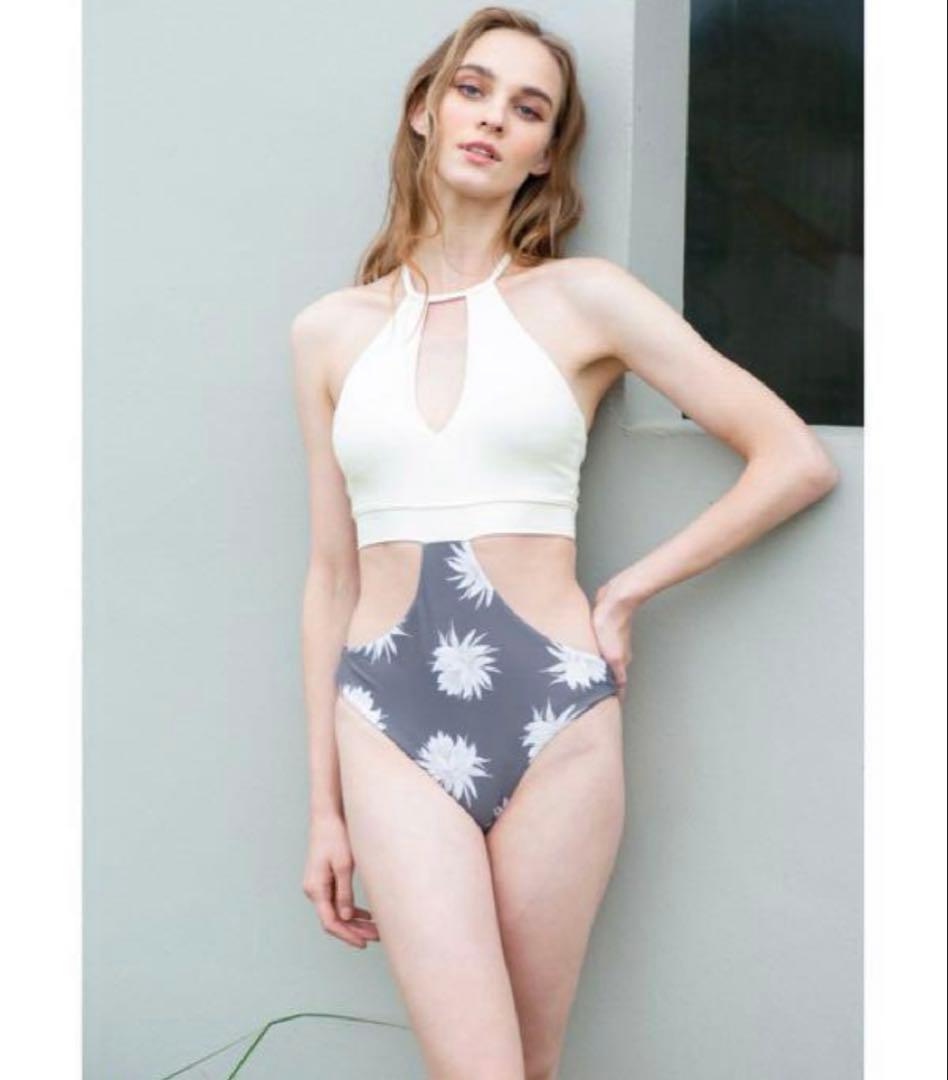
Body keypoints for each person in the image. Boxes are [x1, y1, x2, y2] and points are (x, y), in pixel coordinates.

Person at [291, 8, 839, 1078]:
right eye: (473, 89)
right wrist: (322, 809)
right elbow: (329, 576)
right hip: (387, 719)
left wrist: (626, 592)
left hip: (556, 714)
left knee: (533, 1067)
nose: (493, 118)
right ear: (424, 109)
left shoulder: (584, 300)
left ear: (546, 153)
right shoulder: (328, 332)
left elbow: (792, 459)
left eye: (527, 107)